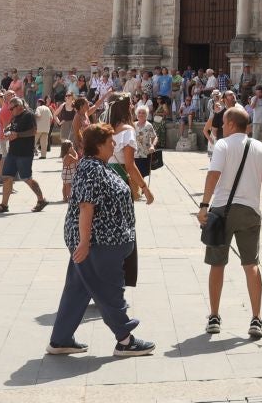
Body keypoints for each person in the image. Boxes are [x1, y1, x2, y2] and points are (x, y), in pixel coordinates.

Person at [48, 122, 154, 357]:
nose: (114, 144)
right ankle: (125, 340)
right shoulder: (92, 168)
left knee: (77, 290)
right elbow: (86, 206)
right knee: (110, 291)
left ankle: (60, 340)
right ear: (98, 145)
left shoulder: (96, 166)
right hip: (99, 244)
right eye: (109, 142)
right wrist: (85, 242)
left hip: (98, 242)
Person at [196, 105, 262, 340]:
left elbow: (213, 175)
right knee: (251, 264)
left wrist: (203, 205)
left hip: (221, 211)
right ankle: (256, 319)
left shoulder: (222, 145)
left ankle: (214, 316)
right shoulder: (260, 147)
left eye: (224, 122)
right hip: (250, 211)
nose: (222, 126)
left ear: (232, 124)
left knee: (217, 264)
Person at [0, 99, 47, 214]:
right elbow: (12, 129)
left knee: (26, 178)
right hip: (12, 152)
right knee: (7, 177)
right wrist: (8, 132)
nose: (10, 110)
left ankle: (41, 200)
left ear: (19, 106)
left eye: (12, 108)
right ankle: (4, 205)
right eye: (9, 109)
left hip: (24, 153)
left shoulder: (28, 115)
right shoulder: (15, 117)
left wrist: (17, 135)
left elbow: (33, 131)